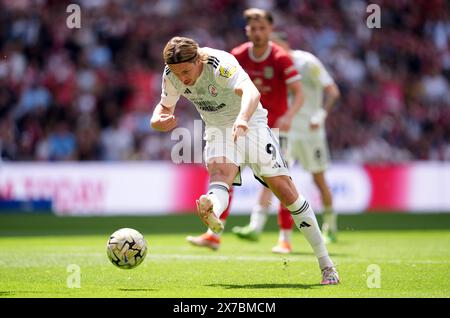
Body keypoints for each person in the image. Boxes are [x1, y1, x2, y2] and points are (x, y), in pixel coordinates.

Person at [151, 36, 339, 284]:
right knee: (220, 174)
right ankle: (212, 208)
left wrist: (242, 119)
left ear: (197, 60)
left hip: (252, 123)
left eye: (186, 71)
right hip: (217, 128)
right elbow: (164, 107)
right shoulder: (171, 73)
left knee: (285, 192)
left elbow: (251, 92)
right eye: (178, 73)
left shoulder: (220, 63)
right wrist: (157, 120)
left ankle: (326, 265)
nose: (183, 79)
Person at [186, 8, 304, 252]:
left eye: (263, 28)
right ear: (246, 30)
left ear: (271, 30)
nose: (258, 33)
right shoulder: (237, 55)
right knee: (227, 176)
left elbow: (299, 94)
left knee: (280, 184)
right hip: (240, 125)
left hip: (272, 127)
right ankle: (213, 235)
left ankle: (285, 238)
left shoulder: (281, 58)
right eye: (253, 28)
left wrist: (290, 116)